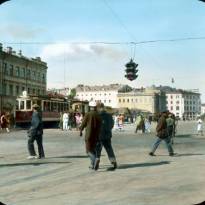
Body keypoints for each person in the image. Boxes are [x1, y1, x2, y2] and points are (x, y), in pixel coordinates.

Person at [79, 101, 102, 170]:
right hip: (97, 135)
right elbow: (101, 125)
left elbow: (83, 123)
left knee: (88, 150)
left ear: (90, 107)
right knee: (93, 150)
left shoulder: (88, 114)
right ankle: (92, 165)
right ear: (95, 107)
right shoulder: (98, 115)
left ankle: (95, 160)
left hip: (89, 135)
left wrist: (80, 130)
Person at [95, 103, 117, 171]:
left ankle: (97, 160)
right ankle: (113, 162)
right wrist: (108, 129)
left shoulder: (97, 116)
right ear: (103, 107)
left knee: (98, 149)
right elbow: (112, 125)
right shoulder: (109, 115)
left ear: (98, 108)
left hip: (99, 135)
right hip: (107, 135)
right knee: (109, 148)